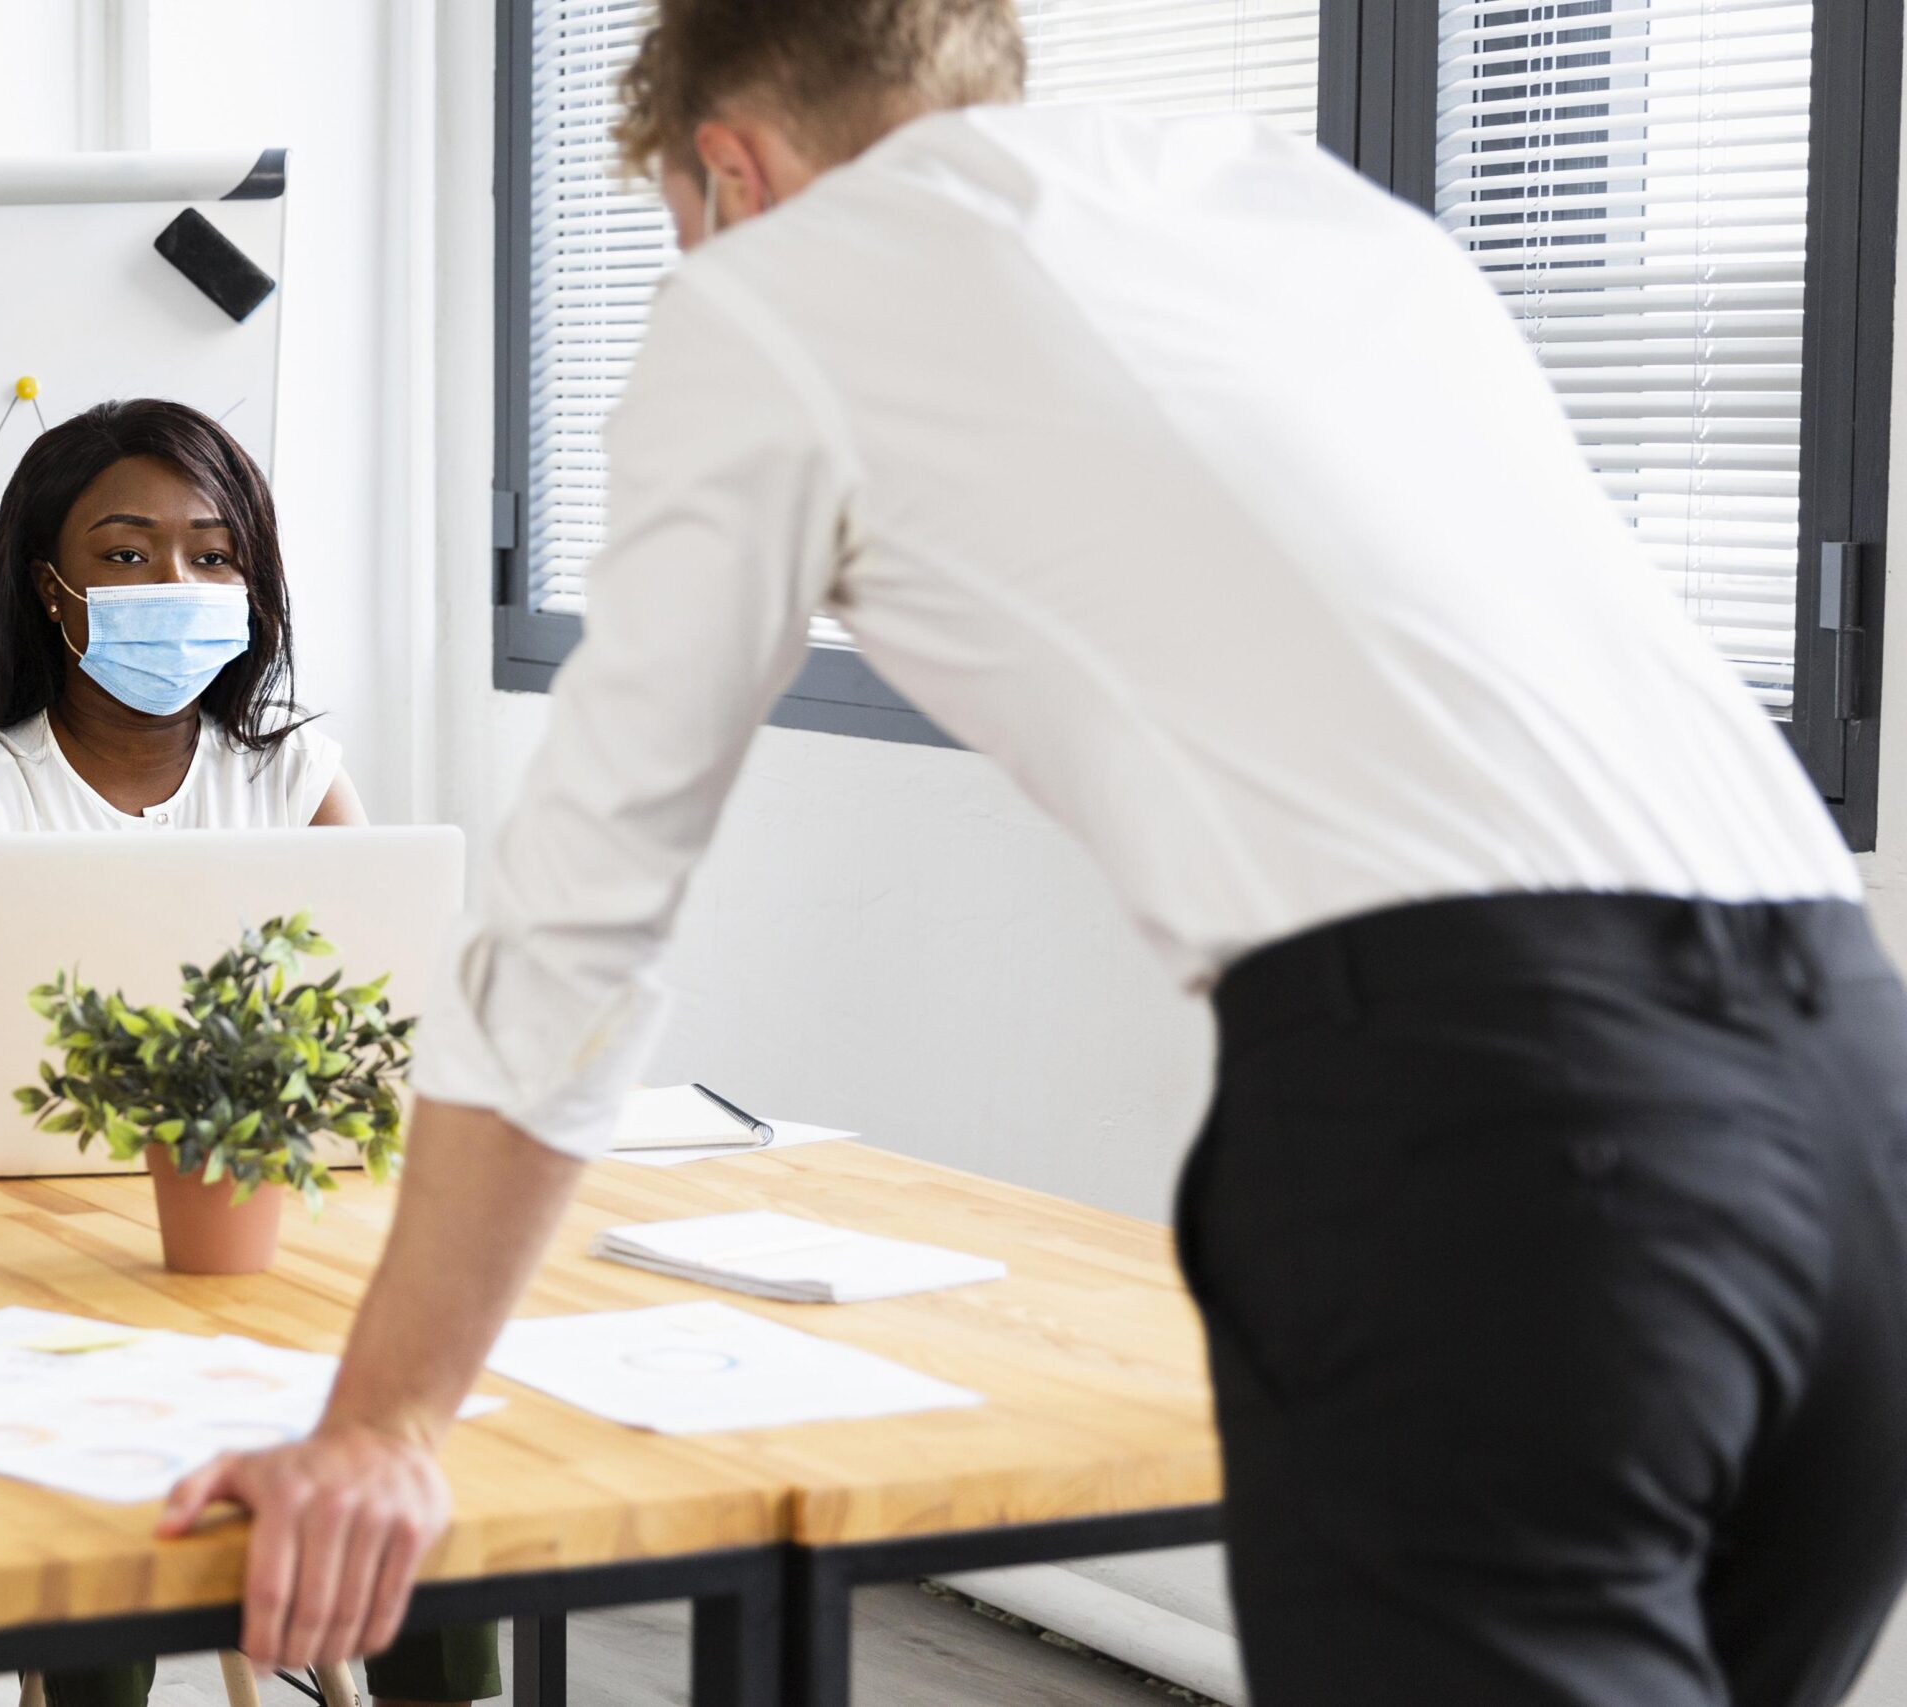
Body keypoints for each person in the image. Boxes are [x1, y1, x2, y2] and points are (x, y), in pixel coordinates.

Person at [155, 4, 1907, 1704]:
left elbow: (575, 923)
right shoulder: (1314, 215)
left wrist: (382, 1423)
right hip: (1859, 1108)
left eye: (679, 234)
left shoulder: (777, 292)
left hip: (1510, 1150)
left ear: (733, 173)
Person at [0, 398, 498, 1707]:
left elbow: (381, 1021)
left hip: (262, 1249)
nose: (177, 584)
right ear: (52, 588)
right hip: (34, 1259)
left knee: (434, 1447)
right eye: (126, 552)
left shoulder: (291, 773)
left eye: (213, 556)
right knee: (108, 1469)